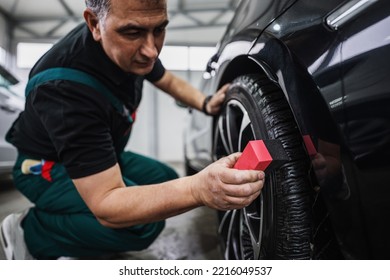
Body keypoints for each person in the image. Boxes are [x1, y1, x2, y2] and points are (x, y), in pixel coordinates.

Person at [0, 0, 265, 260]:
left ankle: (75, 230)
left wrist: (205, 103)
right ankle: (32, 232)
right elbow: (107, 204)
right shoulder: (65, 87)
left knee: (164, 179)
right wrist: (198, 189)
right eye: (133, 32)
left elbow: (167, 79)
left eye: (159, 29)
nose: (151, 51)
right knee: (140, 225)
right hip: (44, 167)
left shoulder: (128, 47)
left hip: (104, 153)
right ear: (94, 23)